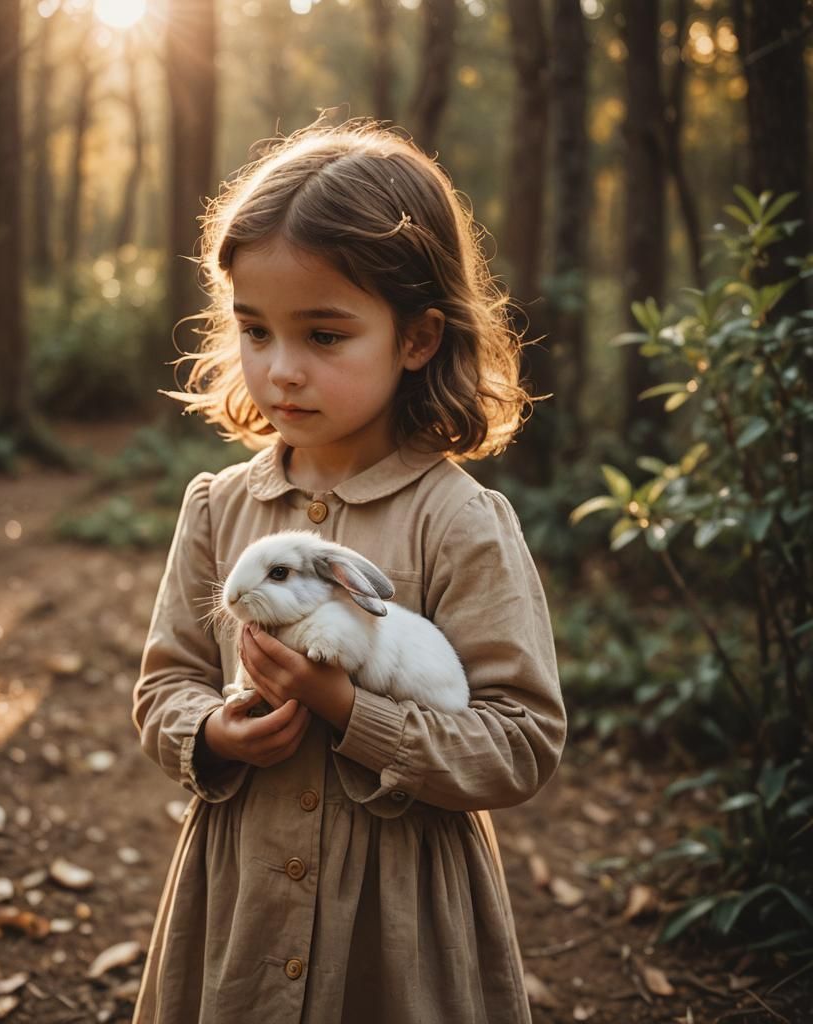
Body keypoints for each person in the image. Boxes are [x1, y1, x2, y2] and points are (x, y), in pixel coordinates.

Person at [131, 119, 566, 1024]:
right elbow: (165, 682)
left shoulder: (460, 522)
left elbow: (521, 739)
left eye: (324, 336)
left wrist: (351, 714)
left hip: (401, 912)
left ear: (416, 338)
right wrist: (211, 732)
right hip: (243, 895)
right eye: (255, 329)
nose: (280, 371)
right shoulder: (218, 508)